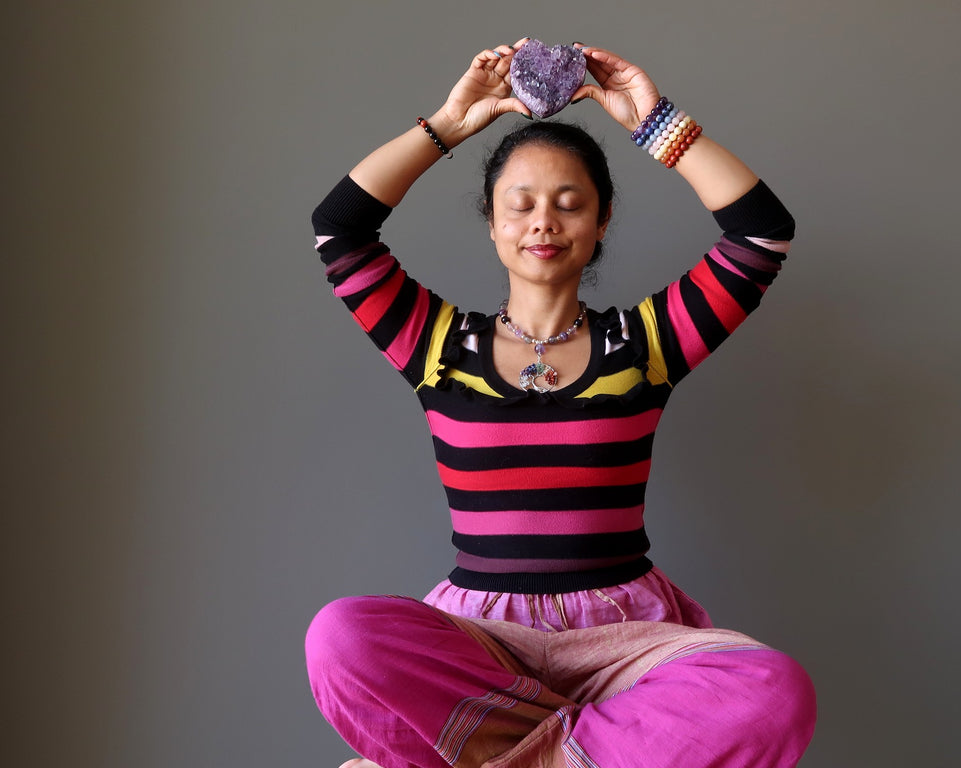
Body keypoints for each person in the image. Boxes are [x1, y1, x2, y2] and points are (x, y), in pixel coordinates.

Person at [305, 39, 816, 768]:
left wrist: (655, 122)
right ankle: (579, 753)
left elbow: (761, 233)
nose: (544, 221)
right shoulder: (437, 345)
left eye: (569, 204)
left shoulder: (644, 345)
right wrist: (450, 125)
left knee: (774, 690)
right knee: (339, 637)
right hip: (478, 642)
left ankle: (510, 758)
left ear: (601, 222)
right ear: (493, 223)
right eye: (522, 205)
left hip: (624, 636)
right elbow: (340, 229)